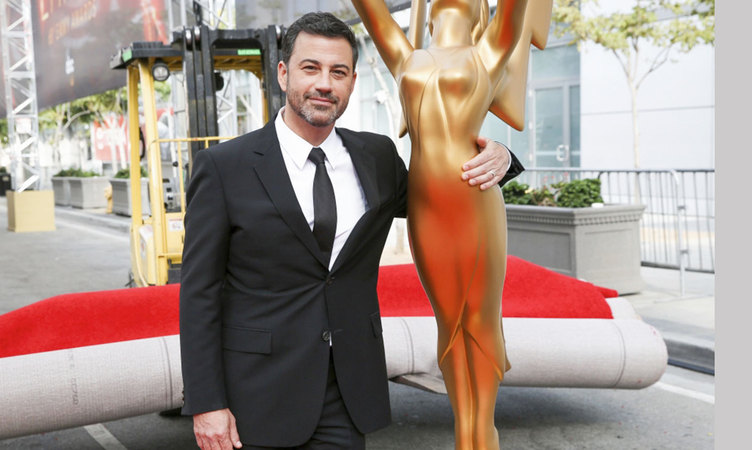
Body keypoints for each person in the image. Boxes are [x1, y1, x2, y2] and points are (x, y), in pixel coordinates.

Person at [178, 11, 525, 450]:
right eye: (311, 68)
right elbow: (199, 295)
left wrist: (502, 157)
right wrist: (206, 403)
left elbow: (439, 197)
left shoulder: (377, 158)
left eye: (338, 72)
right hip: (256, 400)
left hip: (346, 399)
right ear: (283, 74)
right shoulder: (224, 167)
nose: (324, 84)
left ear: (352, 82)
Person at [350, 1, 550, 449]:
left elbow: (514, 11)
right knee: (449, 322)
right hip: (426, 208)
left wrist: (504, 153)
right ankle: (465, 428)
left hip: (476, 200)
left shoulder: (489, 51)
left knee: (480, 318)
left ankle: (481, 431)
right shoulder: (406, 55)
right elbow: (369, 8)